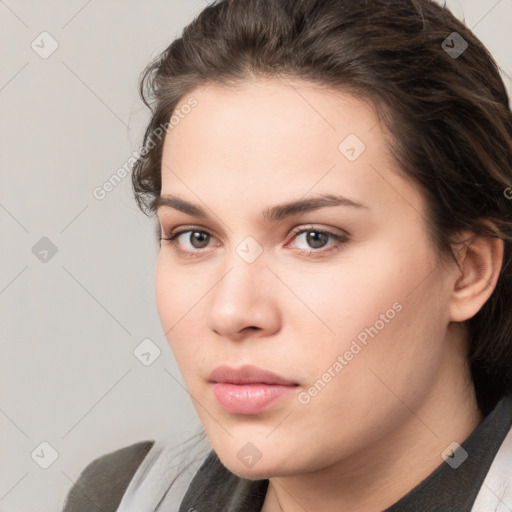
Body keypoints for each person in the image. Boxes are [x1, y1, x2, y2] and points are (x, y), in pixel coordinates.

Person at [61, 0, 512, 510]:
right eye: (195, 237)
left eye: (314, 237)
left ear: (469, 270)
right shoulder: (121, 497)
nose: (231, 312)